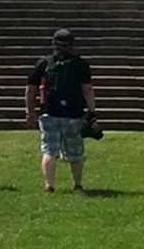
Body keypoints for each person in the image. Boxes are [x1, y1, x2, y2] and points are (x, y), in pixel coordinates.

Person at [32, 28, 97, 193]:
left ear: (54, 44)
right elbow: (87, 89)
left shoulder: (43, 63)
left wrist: (29, 111)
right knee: (75, 151)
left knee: (49, 150)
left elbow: (30, 89)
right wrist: (92, 111)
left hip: (49, 112)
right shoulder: (80, 64)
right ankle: (77, 184)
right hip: (73, 113)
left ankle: (49, 185)